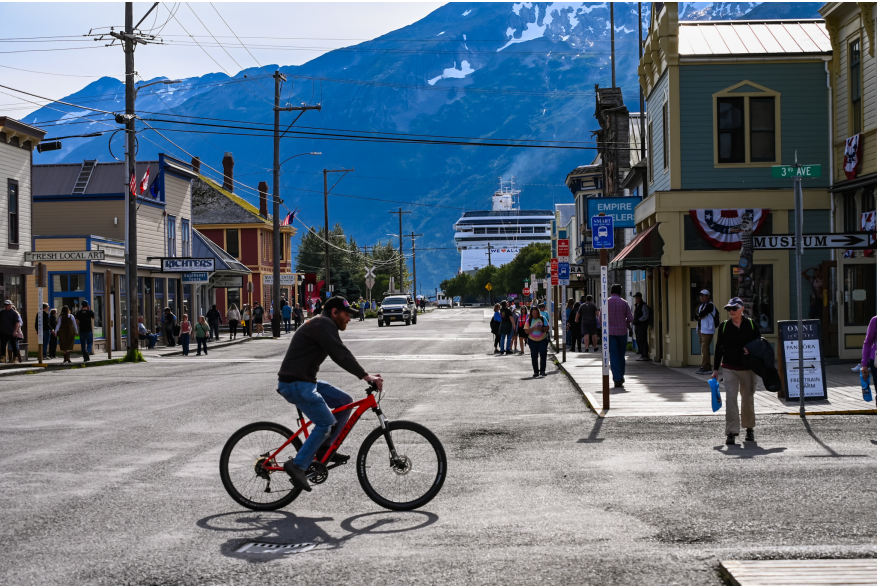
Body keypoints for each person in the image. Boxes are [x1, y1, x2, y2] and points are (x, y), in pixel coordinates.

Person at [277, 296, 384, 492]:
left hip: (305, 382)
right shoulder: (323, 323)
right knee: (325, 423)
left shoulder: (324, 324)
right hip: (295, 384)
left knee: (344, 401)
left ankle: (324, 449)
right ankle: (298, 465)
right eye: (346, 314)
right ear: (334, 312)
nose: (349, 319)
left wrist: (364, 375)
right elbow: (340, 354)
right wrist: (365, 375)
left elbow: (340, 352)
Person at [713, 297, 761, 446]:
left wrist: (751, 349)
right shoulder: (724, 326)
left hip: (748, 368)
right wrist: (715, 369)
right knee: (731, 399)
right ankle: (731, 432)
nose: (731, 311)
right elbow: (719, 347)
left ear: (742, 309)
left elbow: (760, 343)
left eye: (734, 308)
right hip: (729, 367)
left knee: (747, 399)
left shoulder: (751, 324)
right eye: (729, 309)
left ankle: (749, 429)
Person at [607, 284, 634, 387]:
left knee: (613, 354)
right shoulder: (624, 303)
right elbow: (630, 318)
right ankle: (621, 376)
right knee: (621, 355)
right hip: (622, 332)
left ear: (611, 292)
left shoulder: (606, 303)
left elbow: (600, 319)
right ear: (620, 292)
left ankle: (617, 378)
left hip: (610, 332)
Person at [695, 289, 719, 375]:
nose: (702, 297)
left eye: (704, 295)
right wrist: (699, 316)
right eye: (701, 295)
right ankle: (706, 366)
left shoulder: (710, 305)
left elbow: (701, 314)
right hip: (701, 329)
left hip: (707, 330)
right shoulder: (701, 306)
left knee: (704, 348)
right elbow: (696, 316)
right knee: (704, 349)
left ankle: (705, 367)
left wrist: (700, 315)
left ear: (708, 296)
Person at [524, 306, 549, 377]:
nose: (535, 314)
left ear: (538, 313)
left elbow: (547, 327)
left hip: (543, 339)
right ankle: (536, 371)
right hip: (532, 340)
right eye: (533, 313)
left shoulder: (542, 318)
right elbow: (526, 331)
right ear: (531, 313)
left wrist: (541, 328)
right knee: (534, 355)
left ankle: (542, 370)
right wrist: (533, 328)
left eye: (536, 313)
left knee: (543, 354)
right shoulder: (529, 320)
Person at [632, 293, 652, 362]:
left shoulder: (643, 305)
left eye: (636, 298)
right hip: (637, 325)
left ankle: (645, 354)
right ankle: (642, 354)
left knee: (643, 339)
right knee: (639, 339)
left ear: (640, 297)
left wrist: (639, 320)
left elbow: (645, 315)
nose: (635, 299)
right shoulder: (637, 306)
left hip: (642, 325)